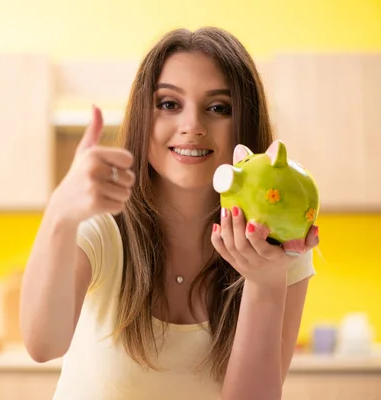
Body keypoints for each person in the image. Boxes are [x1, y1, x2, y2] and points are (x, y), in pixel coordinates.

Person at [20, 26, 319, 400]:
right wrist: (60, 213)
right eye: (169, 104)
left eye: (218, 108)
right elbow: (42, 346)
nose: (191, 126)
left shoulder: (276, 246)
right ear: (144, 118)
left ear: (245, 124)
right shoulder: (100, 226)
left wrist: (265, 283)